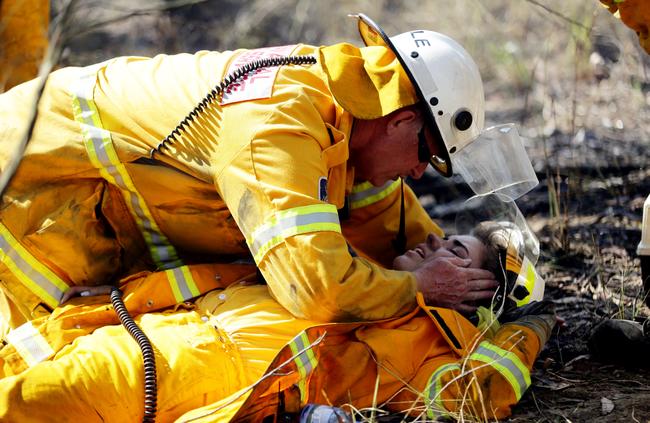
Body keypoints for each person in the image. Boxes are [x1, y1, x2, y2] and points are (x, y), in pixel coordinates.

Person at [0, 14, 537, 332]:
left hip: (77, 206)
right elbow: (318, 290)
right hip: (31, 191)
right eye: (425, 151)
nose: (419, 172)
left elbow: (401, 229)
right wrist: (418, 286)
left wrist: (503, 276)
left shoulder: (346, 119)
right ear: (399, 119)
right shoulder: (276, 126)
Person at [0, 221, 553, 422]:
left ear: (476, 289)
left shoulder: (433, 339)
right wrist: (125, 296)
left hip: (173, 370)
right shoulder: (355, 269)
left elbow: (473, 401)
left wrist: (524, 330)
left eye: (454, 249)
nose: (432, 239)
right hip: (126, 327)